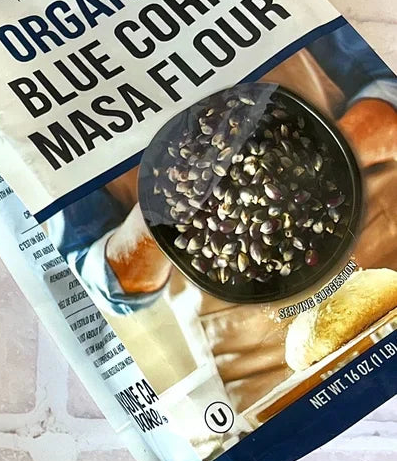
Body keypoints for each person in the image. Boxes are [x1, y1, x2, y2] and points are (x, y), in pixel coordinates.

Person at [51, 25, 397, 412]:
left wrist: (314, 161)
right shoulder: (40, 65)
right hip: (262, 350)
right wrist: (164, 212)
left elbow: (386, 73)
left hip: (383, 239)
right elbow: (103, 282)